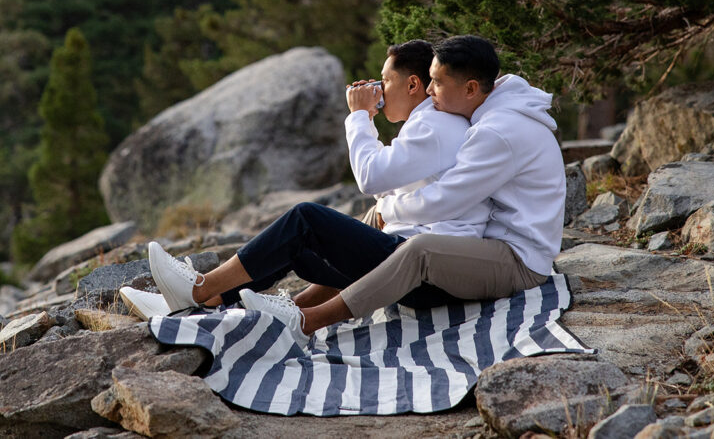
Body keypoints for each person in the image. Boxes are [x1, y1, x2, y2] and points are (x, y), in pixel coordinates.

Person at [123, 40, 477, 331]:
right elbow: (394, 183)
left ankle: (199, 289)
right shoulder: (430, 125)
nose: (378, 91)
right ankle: (208, 301)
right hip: (412, 265)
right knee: (298, 245)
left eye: (384, 82)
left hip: (422, 274)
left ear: (412, 84)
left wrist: (358, 116)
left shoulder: (434, 126)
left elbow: (370, 178)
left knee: (305, 220)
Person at [232, 34, 563, 342]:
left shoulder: (499, 131)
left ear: (471, 88)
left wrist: (389, 208)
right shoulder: (491, 113)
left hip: (520, 259)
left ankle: (308, 321)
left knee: (420, 250)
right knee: (375, 226)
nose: (429, 90)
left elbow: (445, 200)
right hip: (496, 241)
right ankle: (293, 302)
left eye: (437, 82)